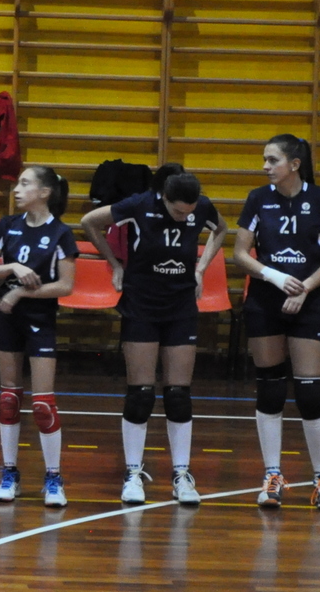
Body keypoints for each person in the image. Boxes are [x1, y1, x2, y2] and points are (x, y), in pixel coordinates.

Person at [81, 164, 223, 506]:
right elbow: (89, 222)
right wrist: (115, 264)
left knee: (178, 395)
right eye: (178, 212)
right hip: (142, 304)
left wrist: (202, 268)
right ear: (164, 198)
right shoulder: (139, 204)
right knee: (141, 394)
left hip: (181, 306)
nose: (184, 218)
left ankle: (181, 474)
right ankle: (133, 473)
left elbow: (221, 229)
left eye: (189, 213)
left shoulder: (201, 207)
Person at [233, 134, 320, 510]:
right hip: (265, 301)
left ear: (295, 164)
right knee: (270, 389)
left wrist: (304, 288)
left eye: (272, 160)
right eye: (264, 159)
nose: (265, 166)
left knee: (309, 392)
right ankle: (272, 475)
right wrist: (275, 277)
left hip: (308, 303)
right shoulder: (257, 198)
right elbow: (240, 253)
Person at [0, 165, 77, 508]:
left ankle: (53, 477)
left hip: (40, 320)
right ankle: (9, 473)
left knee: (42, 404)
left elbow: (65, 285)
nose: (17, 189)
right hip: (8, 320)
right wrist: (12, 268)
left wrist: (20, 291)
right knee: (9, 399)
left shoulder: (61, 233)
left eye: (24, 183)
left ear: (44, 192)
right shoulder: (7, 225)